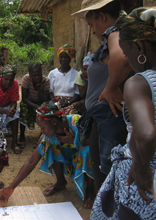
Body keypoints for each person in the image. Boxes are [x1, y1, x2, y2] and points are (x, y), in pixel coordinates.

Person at [91, 8, 156, 219]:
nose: (127, 60)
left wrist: (141, 167)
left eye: (126, 53)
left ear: (139, 46)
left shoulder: (139, 82)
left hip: (142, 180)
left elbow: (146, 134)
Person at [73, 0, 132, 190]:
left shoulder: (114, 33)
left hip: (109, 119)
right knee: (106, 178)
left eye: (91, 25)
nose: (92, 31)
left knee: (107, 181)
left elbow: (122, 58)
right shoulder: (115, 37)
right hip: (105, 119)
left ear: (102, 17)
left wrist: (111, 87)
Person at [0, 103, 95, 209]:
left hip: (85, 159)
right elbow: (31, 162)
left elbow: (95, 141)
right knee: (50, 147)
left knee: (87, 151)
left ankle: (90, 188)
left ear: (53, 122)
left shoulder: (75, 121)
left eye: (43, 127)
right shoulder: (48, 137)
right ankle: (61, 181)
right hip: (69, 159)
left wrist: (75, 141)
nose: (41, 131)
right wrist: (12, 186)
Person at [18, 63, 50, 149]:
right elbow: (24, 98)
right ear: (30, 74)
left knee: (46, 107)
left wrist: (39, 88)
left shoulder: (46, 81)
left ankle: (41, 137)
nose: (37, 77)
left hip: (41, 102)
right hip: (29, 101)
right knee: (23, 106)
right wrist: (37, 107)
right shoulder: (26, 79)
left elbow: (45, 99)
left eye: (39, 74)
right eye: (34, 75)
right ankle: (21, 135)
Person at [48, 44, 80, 112]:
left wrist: (68, 102)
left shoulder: (76, 74)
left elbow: (77, 94)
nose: (63, 59)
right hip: (55, 101)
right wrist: (55, 102)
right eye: (61, 57)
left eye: (66, 57)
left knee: (68, 114)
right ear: (58, 58)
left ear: (70, 58)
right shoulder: (52, 73)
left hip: (70, 102)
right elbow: (50, 91)